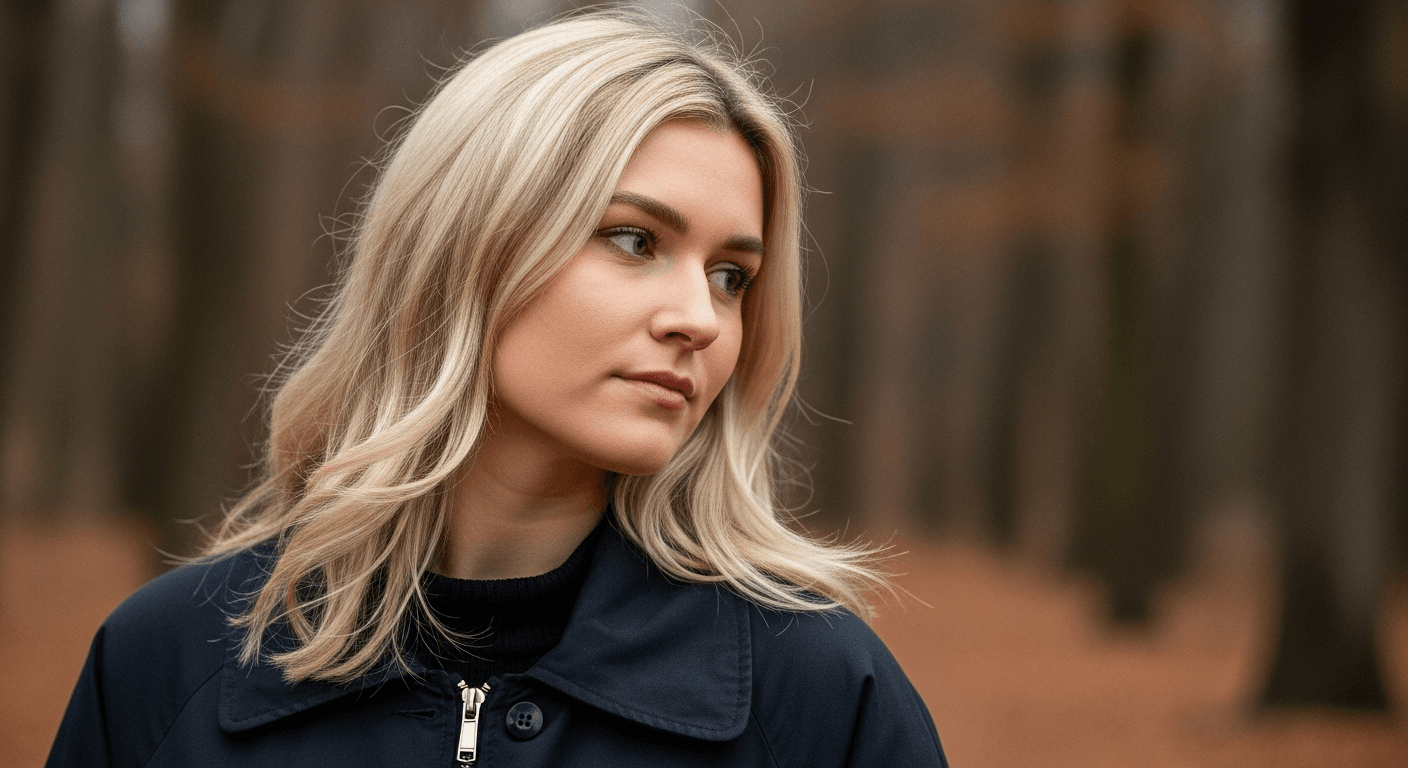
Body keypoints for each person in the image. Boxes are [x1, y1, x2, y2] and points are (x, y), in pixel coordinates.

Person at [47, 11, 947, 767]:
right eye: (635, 240)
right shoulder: (165, 664)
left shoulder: (822, 698)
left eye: (730, 276)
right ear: (468, 243)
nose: (700, 320)